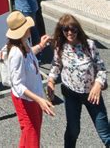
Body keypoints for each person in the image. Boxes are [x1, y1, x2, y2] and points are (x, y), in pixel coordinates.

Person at [47, 14, 110, 147]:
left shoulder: (89, 45)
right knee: (73, 130)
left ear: (78, 30)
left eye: (73, 29)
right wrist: (51, 81)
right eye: (66, 29)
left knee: (104, 133)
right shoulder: (60, 46)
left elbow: (101, 68)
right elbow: (56, 65)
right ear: (62, 31)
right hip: (71, 94)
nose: (70, 33)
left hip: (92, 94)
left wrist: (98, 84)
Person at [5, 11, 55, 147]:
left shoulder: (23, 42)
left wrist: (41, 45)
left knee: (30, 132)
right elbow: (18, 85)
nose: (29, 28)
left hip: (32, 97)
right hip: (26, 100)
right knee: (32, 134)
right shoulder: (16, 53)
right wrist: (39, 100)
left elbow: (29, 54)